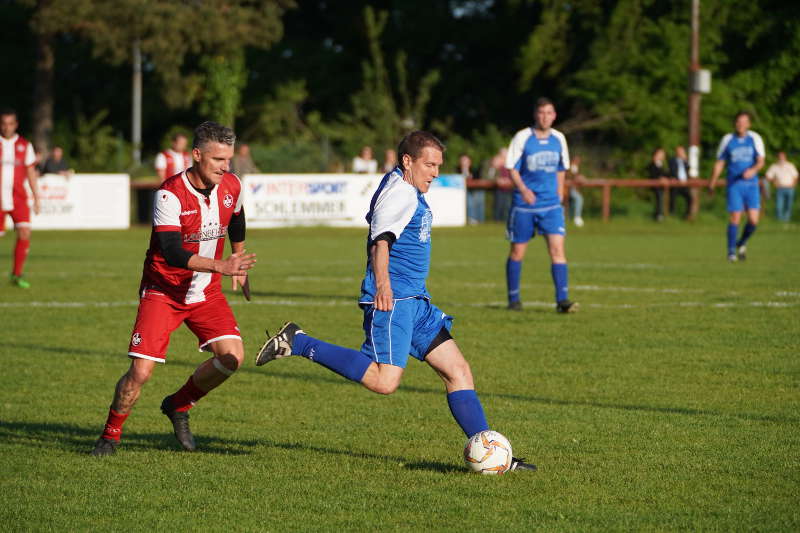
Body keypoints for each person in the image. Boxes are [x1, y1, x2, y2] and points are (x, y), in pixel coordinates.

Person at [255, 131, 536, 472]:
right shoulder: (401, 193)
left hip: (416, 301)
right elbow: (380, 242)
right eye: (429, 165)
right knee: (384, 381)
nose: (434, 172)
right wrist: (383, 287)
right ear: (408, 161)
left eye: (438, 166)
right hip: (395, 300)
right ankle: (298, 342)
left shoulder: (402, 183)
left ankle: (494, 454)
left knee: (458, 371)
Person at [91, 121, 257, 456]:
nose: (225, 167)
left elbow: (236, 218)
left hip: (206, 293)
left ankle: (178, 405)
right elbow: (171, 251)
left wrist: (237, 257)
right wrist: (221, 266)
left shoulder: (232, 185)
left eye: (228, 160)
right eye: (217, 160)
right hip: (163, 291)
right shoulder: (169, 194)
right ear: (196, 155)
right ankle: (110, 435)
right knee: (140, 371)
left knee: (232, 357)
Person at [504, 97, 577, 313]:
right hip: (524, 205)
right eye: (541, 112)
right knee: (517, 251)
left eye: (549, 113)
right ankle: (513, 299)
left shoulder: (559, 138)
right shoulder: (523, 137)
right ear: (536, 115)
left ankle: (562, 300)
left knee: (557, 250)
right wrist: (524, 190)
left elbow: (562, 168)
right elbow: (512, 168)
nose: (545, 117)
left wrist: (560, 193)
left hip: (551, 205)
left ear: (554, 116)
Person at [708, 111, 766, 262]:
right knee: (735, 217)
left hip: (751, 184)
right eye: (738, 121)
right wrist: (712, 182)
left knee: (753, 220)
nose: (740, 124)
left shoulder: (754, 138)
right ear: (735, 123)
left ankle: (742, 242)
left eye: (743, 122)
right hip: (734, 184)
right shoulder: (728, 140)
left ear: (748, 124)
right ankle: (731, 251)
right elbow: (720, 163)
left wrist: (752, 170)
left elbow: (760, 161)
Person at [0, 108, 39, 288]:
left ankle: (17, 274)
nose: (7, 127)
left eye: (10, 123)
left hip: (18, 198)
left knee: (25, 232)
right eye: (4, 123)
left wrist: (36, 197)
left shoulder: (24, 145)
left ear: (15, 125)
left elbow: (30, 172)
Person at [765, 151, 798, 222]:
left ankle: (787, 219)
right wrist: (774, 182)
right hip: (780, 188)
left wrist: (793, 184)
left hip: (790, 188)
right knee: (779, 205)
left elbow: (796, 176)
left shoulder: (790, 165)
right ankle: (779, 220)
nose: (781, 158)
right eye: (780, 156)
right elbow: (768, 176)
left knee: (788, 205)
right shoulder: (774, 166)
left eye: (782, 156)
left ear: (785, 157)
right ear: (777, 157)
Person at [488, 147, 514, 222]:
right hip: (499, 189)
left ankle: (507, 221)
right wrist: (497, 179)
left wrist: (510, 181)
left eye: (505, 155)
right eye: (502, 155)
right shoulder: (495, 164)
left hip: (510, 189)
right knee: (498, 206)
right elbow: (490, 176)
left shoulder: (511, 164)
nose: (504, 157)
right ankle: (496, 221)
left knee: (508, 206)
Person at [459, 153, 484, 224]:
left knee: (479, 199)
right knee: (469, 202)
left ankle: (480, 220)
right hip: (463, 191)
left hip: (475, 190)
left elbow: (478, 179)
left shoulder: (475, 170)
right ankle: (471, 219)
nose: (464, 163)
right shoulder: (457, 169)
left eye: (466, 161)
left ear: (469, 162)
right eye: (463, 161)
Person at [668, 146, 692, 219]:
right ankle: (672, 214)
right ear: (676, 152)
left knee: (689, 198)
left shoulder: (685, 162)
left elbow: (688, 169)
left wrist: (685, 160)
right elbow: (671, 171)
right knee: (672, 197)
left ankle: (687, 214)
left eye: (682, 151)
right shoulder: (672, 160)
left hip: (684, 184)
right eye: (679, 151)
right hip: (675, 184)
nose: (681, 153)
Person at [647, 148, 669, 222]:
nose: (663, 156)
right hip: (655, 185)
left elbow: (666, 174)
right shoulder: (652, 164)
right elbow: (652, 174)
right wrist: (660, 178)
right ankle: (658, 215)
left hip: (662, 186)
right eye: (661, 154)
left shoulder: (663, 164)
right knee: (659, 198)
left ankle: (661, 214)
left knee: (661, 198)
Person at [567, 155, 586, 227]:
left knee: (572, 204)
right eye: (577, 160)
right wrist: (580, 178)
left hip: (571, 189)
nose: (578, 162)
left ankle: (570, 219)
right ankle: (577, 217)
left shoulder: (574, 167)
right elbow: (574, 177)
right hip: (568, 189)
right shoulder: (572, 167)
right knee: (579, 199)